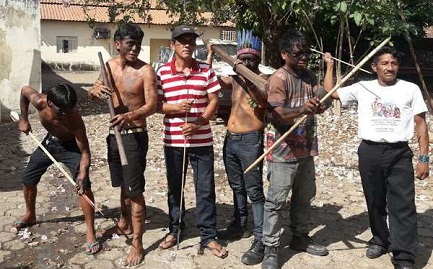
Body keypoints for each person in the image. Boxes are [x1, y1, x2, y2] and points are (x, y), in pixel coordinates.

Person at [323, 46, 429, 269]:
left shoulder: (410, 89)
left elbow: (421, 124)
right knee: (374, 200)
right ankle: (381, 239)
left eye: (394, 63)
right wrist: (330, 66)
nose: (390, 68)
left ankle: (404, 256)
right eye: (385, 63)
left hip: (399, 152)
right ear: (374, 67)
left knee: (403, 205)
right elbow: (330, 92)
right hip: (369, 151)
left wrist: (424, 158)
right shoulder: (363, 87)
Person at [156, 25, 228, 259]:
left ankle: (208, 235)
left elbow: (214, 100)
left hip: (202, 141)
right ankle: (175, 229)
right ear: (172, 45)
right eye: (181, 41)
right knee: (175, 187)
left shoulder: (206, 70)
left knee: (205, 189)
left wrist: (198, 123)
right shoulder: (162, 72)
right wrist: (175, 107)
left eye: (191, 41)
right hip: (174, 141)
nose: (187, 45)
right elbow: (156, 104)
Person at [88, 23, 157, 266]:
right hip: (113, 136)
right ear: (118, 44)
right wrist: (96, 90)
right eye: (130, 43)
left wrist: (128, 116)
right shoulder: (108, 66)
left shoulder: (146, 71)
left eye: (138, 43)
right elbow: (94, 90)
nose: (135, 48)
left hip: (134, 135)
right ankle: (124, 221)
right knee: (122, 185)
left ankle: (137, 243)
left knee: (135, 191)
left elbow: (152, 105)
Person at [261, 31, 330, 269]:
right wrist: (302, 109)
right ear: (284, 54)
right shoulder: (279, 79)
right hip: (282, 152)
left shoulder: (309, 76)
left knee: (304, 197)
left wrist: (320, 100)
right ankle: (271, 247)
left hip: (305, 149)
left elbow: (326, 98)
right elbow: (277, 113)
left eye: (306, 53)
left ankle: (299, 237)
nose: (303, 58)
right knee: (276, 201)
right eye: (297, 54)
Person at [13, 83, 101, 255]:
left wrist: (82, 175)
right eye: (62, 112)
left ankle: (91, 233)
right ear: (50, 103)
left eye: (69, 110)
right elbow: (24, 90)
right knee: (28, 179)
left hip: (71, 147)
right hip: (49, 143)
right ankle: (30, 214)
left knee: (84, 187)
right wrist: (24, 118)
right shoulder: (39, 101)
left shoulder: (75, 120)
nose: (66, 116)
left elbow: (85, 153)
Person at [210, 30, 267, 265]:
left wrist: (247, 75)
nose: (245, 64)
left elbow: (264, 100)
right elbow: (211, 82)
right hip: (231, 139)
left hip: (251, 140)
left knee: (254, 189)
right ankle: (239, 224)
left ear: (257, 60)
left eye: (250, 60)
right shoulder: (234, 79)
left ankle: (261, 237)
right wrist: (211, 55)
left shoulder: (264, 80)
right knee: (237, 186)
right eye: (242, 60)